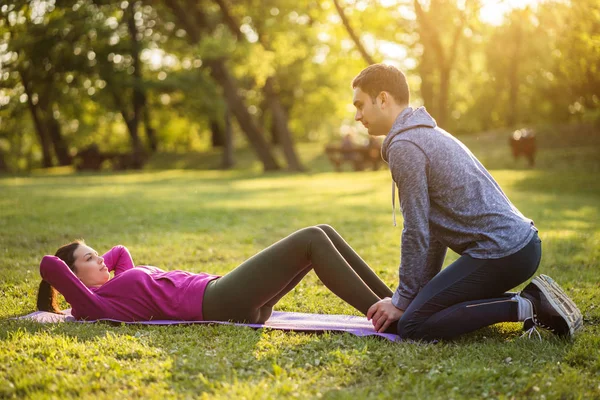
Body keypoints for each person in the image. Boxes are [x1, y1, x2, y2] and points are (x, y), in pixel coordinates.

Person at [350, 63, 583, 340]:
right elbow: (433, 231)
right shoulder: (425, 133)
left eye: (360, 105)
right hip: (519, 247)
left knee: (412, 325)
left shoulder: (406, 146)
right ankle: (536, 299)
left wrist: (402, 301)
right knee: (420, 312)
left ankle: (530, 305)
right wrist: (415, 295)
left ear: (383, 99)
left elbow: (416, 231)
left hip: (502, 252)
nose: (357, 116)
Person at [37, 225, 395, 325]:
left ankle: (396, 301)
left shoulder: (116, 283)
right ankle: (388, 318)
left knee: (324, 231)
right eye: (90, 259)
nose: (102, 260)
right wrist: (72, 280)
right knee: (312, 240)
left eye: (97, 255)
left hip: (228, 296)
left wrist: (94, 261)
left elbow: (120, 253)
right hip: (219, 300)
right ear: (73, 277)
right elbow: (49, 267)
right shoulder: (96, 304)